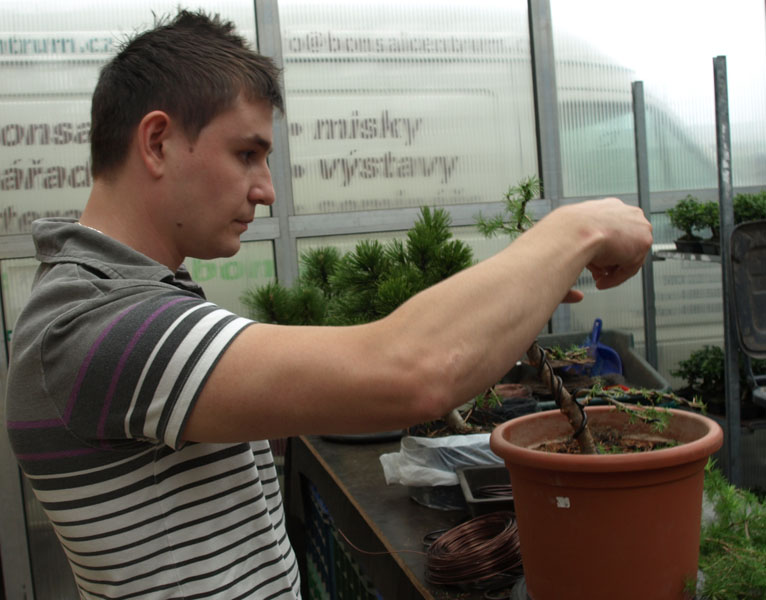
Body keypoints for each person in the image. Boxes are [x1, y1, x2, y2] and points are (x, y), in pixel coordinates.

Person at [4, 8, 653, 600]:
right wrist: (577, 230)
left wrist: (519, 294)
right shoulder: (93, 326)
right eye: (247, 153)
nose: (266, 191)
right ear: (156, 143)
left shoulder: (118, 301)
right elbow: (413, 369)